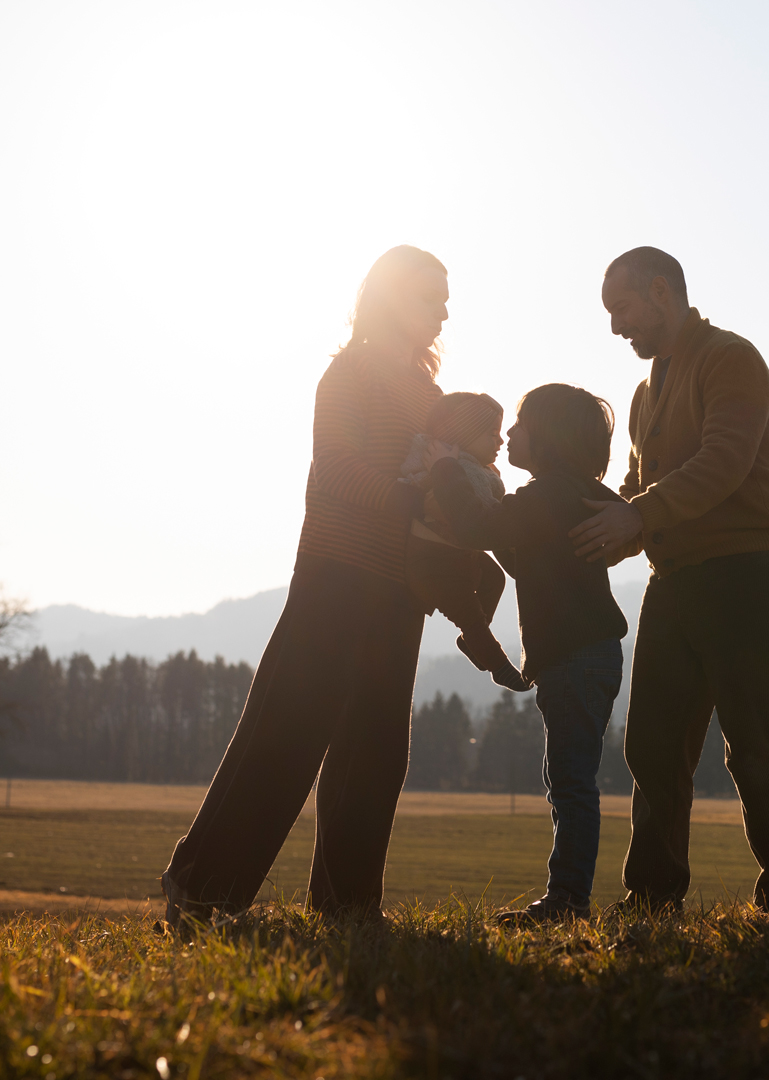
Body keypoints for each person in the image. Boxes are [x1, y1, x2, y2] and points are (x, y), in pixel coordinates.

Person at [159, 244, 447, 928]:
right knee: (285, 735)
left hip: (400, 590)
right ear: (384, 299)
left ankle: (349, 905)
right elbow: (337, 470)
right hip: (336, 577)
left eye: (444, 301)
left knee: (375, 748)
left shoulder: (433, 396)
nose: (438, 312)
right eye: (424, 297)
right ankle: (201, 887)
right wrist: (414, 500)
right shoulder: (348, 375)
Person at [570, 246, 769, 914]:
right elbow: (637, 491)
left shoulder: (731, 358)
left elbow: (722, 464)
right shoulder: (646, 392)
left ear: (660, 291)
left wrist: (636, 517)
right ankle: (651, 897)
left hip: (746, 572)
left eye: (621, 309)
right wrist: (586, 526)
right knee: (652, 742)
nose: (617, 327)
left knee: (756, 742)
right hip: (673, 579)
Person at [426, 383, 629, 924]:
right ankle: (568, 897)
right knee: (570, 777)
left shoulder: (545, 496)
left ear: (547, 437)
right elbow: (525, 558)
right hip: (592, 655)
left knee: (570, 781)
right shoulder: (567, 493)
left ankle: (567, 902)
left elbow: (475, 528)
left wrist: (446, 467)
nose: (508, 435)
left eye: (518, 425)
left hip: (574, 658)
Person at [398, 392, 527, 691]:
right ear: (464, 435)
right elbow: (481, 513)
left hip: (457, 554)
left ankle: (473, 642)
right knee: (470, 616)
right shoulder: (459, 467)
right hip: (433, 561)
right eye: (491, 434)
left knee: (494, 579)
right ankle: (498, 666)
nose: (499, 441)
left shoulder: (477, 468)